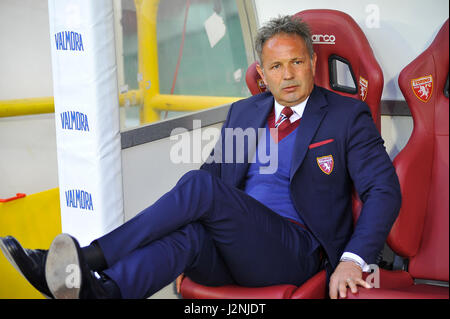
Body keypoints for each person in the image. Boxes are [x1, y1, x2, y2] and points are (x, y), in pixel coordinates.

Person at [0, 15, 401, 299]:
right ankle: (103, 291)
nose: (289, 74)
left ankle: (90, 256)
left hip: (296, 250)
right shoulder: (246, 112)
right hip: (238, 247)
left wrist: (353, 259)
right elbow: (215, 175)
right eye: (277, 66)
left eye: (297, 61)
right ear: (263, 73)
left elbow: (384, 190)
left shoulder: (347, 116)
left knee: (198, 187)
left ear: (313, 62)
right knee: (189, 234)